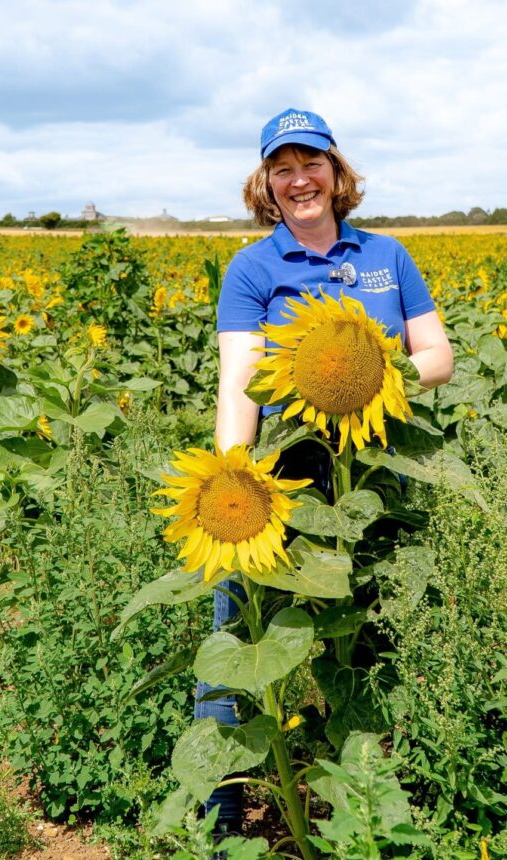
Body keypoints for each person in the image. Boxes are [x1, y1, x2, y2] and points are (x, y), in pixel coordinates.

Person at [194, 107, 454, 837]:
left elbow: (437, 355)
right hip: (285, 476)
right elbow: (237, 382)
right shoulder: (253, 267)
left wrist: (377, 363)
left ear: (338, 175)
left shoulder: (386, 255)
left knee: (371, 647)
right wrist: (227, 478)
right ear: (265, 186)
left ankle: (368, 813)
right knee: (236, 639)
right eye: (282, 168)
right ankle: (218, 825)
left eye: (311, 163)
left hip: (374, 477)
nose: (298, 178)